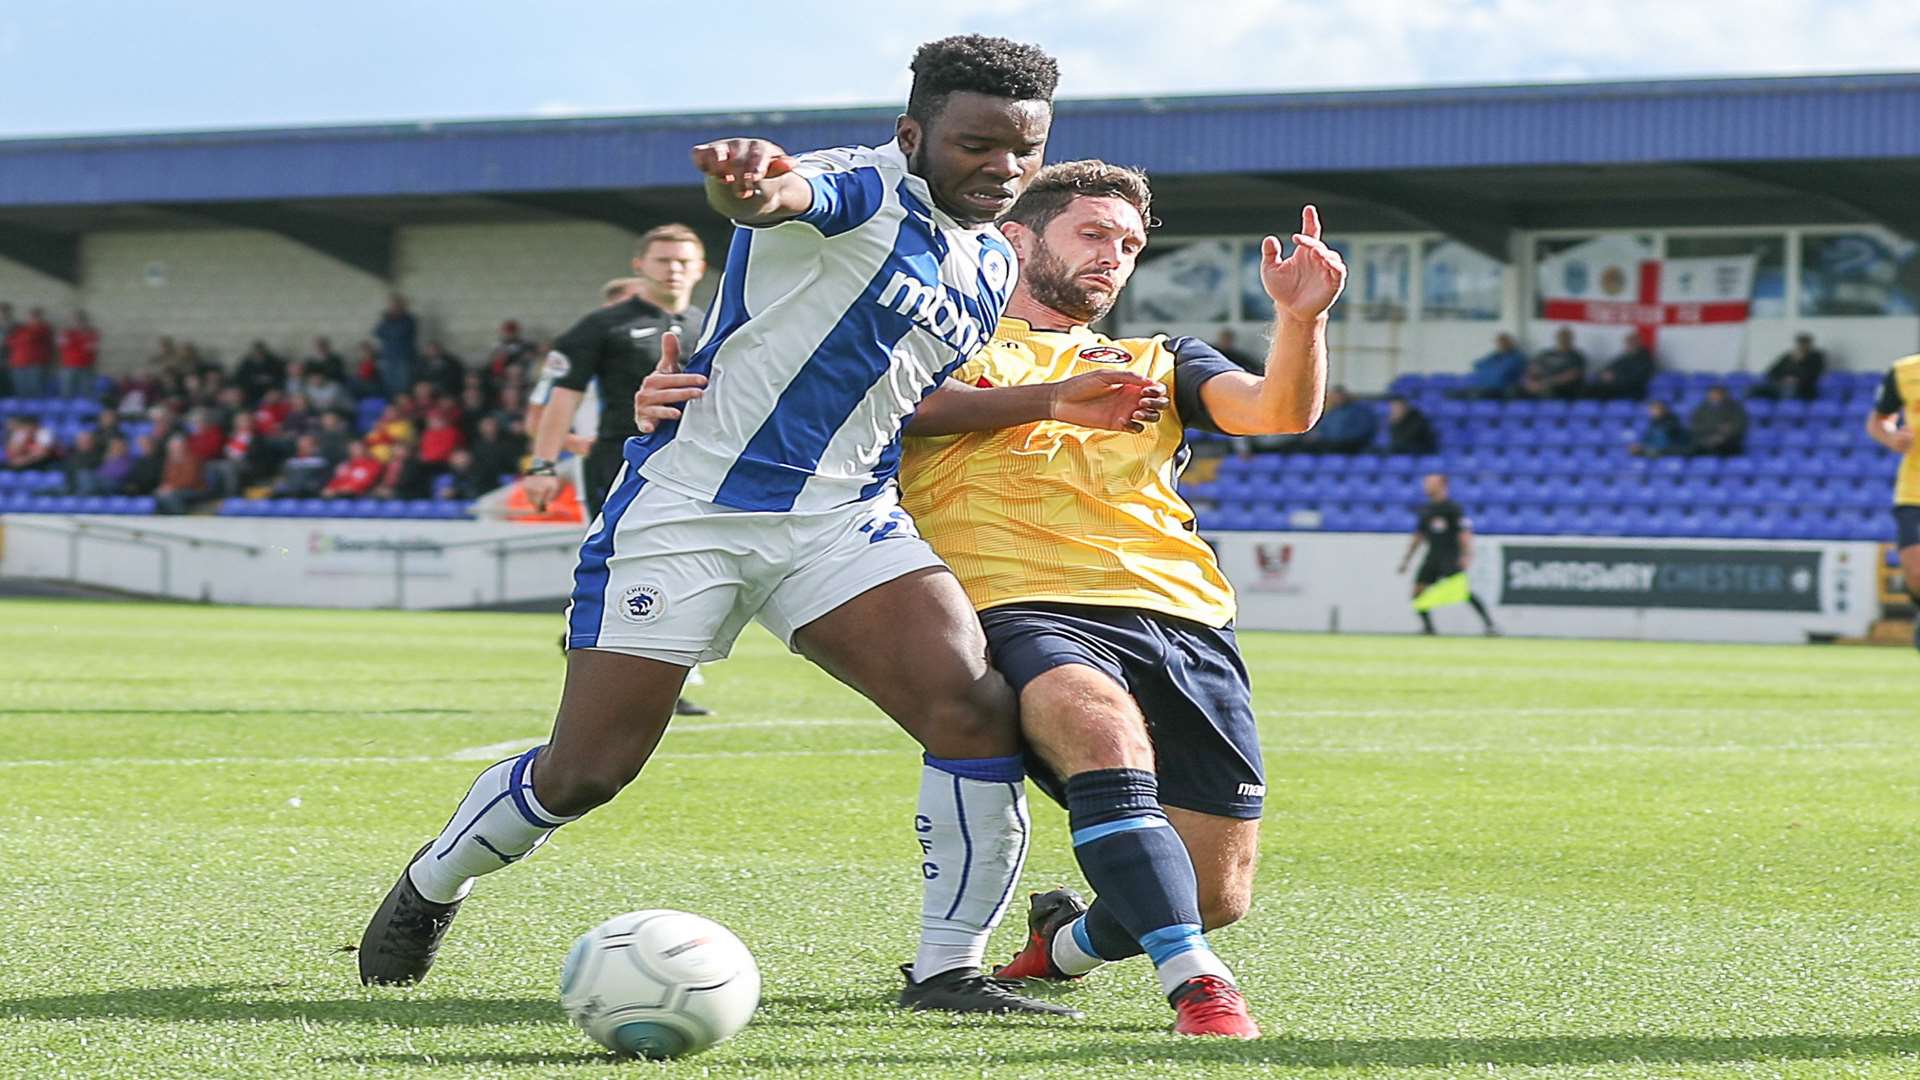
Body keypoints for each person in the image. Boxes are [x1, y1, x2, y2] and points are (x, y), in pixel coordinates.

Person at [357, 34, 1080, 1018]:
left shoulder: (992, 262)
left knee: (975, 711)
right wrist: (745, 189)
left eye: (1023, 150)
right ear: (914, 133)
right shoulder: (857, 186)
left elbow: (899, 390)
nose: (1002, 168)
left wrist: (1050, 399)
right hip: (689, 513)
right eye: (976, 144)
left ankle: (948, 970)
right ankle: (433, 883)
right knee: (587, 773)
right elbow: (774, 200)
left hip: (842, 519)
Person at [887, 163, 1343, 1038]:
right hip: (1019, 597)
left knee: (1214, 890)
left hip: (1184, 613)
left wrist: (1300, 319)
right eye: (1094, 234)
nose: (1114, 257)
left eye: (1129, 244)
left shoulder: (1158, 359)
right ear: (1017, 237)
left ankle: (1062, 947)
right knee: (1091, 719)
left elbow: (1276, 411)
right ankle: (1199, 988)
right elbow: (870, 409)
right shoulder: (939, 346)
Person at [522, 232, 706, 525]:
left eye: (683, 261)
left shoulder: (710, 325)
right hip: (618, 461)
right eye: (663, 260)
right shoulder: (600, 326)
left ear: (700, 268)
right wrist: (542, 466)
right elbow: (562, 396)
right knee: (616, 556)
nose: (673, 269)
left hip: (696, 464)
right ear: (640, 265)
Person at [1397, 473, 1497, 636]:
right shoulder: (1426, 509)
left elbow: (1464, 533)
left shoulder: (1452, 508)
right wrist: (1406, 560)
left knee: (1463, 592)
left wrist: (1466, 555)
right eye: (1426, 483)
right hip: (1432, 556)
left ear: (1442, 485)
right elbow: (1419, 536)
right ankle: (1428, 628)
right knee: (1417, 592)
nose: (1426, 486)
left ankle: (1490, 625)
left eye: (1430, 483)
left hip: (1450, 555)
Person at [1868, 351, 1920, 651]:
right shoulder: (1904, 371)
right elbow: (1878, 421)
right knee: (1915, 572)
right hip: (1914, 488)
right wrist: (1892, 438)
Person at [1288, 385, 1373, 453]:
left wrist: (1334, 437)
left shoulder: (1359, 412)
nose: (1336, 399)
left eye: (1338, 396)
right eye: (1334, 396)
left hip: (1348, 444)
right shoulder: (1331, 412)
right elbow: (1322, 428)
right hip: (1328, 442)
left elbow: (1360, 431)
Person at [1752, 332, 1826, 402]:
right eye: (1800, 343)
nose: (1802, 346)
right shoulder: (1788, 356)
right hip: (1781, 385)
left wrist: (1800, 363)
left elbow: (1813, 374)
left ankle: (1785, 409)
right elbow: (1771, 371)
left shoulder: (1816, 357)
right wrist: (1783, 379)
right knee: (1755, 390)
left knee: (1790, 390)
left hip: (1802, 388)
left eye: (1805, 343)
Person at [1455, 332, 1529, 400]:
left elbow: (1502, 373)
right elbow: (1477, 365)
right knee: (1457, 394)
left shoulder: (1517, 357)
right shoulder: (1495, 355)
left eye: (1503, 343)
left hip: (1503, 390)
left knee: (1477, 395)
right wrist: (1492, 369)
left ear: (1510, 343)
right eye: (1499, 343)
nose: (1500, 345)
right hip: (1487, 387)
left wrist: (1490, 369)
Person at [1519, 328, 1586, 400]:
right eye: (1561, 337)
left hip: (1562, 387)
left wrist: (1545, 383)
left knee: (1548, 391)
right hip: (1540, 384)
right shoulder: (1546, 354)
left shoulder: (1576, 356)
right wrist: (1529, 383)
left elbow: (1571, 376)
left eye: (1565, 338)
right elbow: (1532, 369)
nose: (1563, 340)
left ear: (1571, 339)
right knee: (1516, 389)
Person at [1587, 331, 1654, 401]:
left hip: (1632, 390)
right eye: (1628, 343)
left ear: (1638, 343)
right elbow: (1609, 367)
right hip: (1615, 386)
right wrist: (1604, 374)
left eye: (1631, 342)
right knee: (1589, 387)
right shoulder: (1624, 357)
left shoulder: (1645, 359)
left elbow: (1636, 378)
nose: (1629, 345)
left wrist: (1615, 378)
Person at [374, 294, 419, 398]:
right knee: (388, 387)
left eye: (394, 306)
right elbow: (377, 332)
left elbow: (398, 333)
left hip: (403, 358)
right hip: (387, 357)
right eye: (390, 306)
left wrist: (388, 331)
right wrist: (388, 324)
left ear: (401, 306)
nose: (392, 308)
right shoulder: (386, 319)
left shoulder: (409, 319)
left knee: (403, 387)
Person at [7, 307, 54, 399]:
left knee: (35, 389)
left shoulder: (44, 328)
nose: (34, 318)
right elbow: (10, 342)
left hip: (35, 364)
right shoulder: (20, 329)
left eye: (36, 316)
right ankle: (22, 411)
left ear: (41, 317)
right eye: (31, 316)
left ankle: (36, 411)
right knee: (20, 389)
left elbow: (36, 340)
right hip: (18, 363)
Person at [1687, 385, 1747, 456]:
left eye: (1718, 394)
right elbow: (1694, 426)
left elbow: (1740, 425)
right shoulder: (1700, 409)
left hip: (1728, 443)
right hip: (1704, 441)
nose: (1714, 396)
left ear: (1724, 395)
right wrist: (1714, 429)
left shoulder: (1735, 408)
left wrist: (1722, 436)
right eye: (1712, 394)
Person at [57, 311, 99, 400]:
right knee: (67, 391)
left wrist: (74, 343)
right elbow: (61, 345)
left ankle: (86, 411)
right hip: (68, 365)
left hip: (86, 366)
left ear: (84, 321)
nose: (77, 323)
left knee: (86, 391)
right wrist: (79, 342)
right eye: (74, 321)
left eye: (79, 321)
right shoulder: (65, 333)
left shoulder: (91, 333)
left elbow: (91, 348)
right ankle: (67, 410)